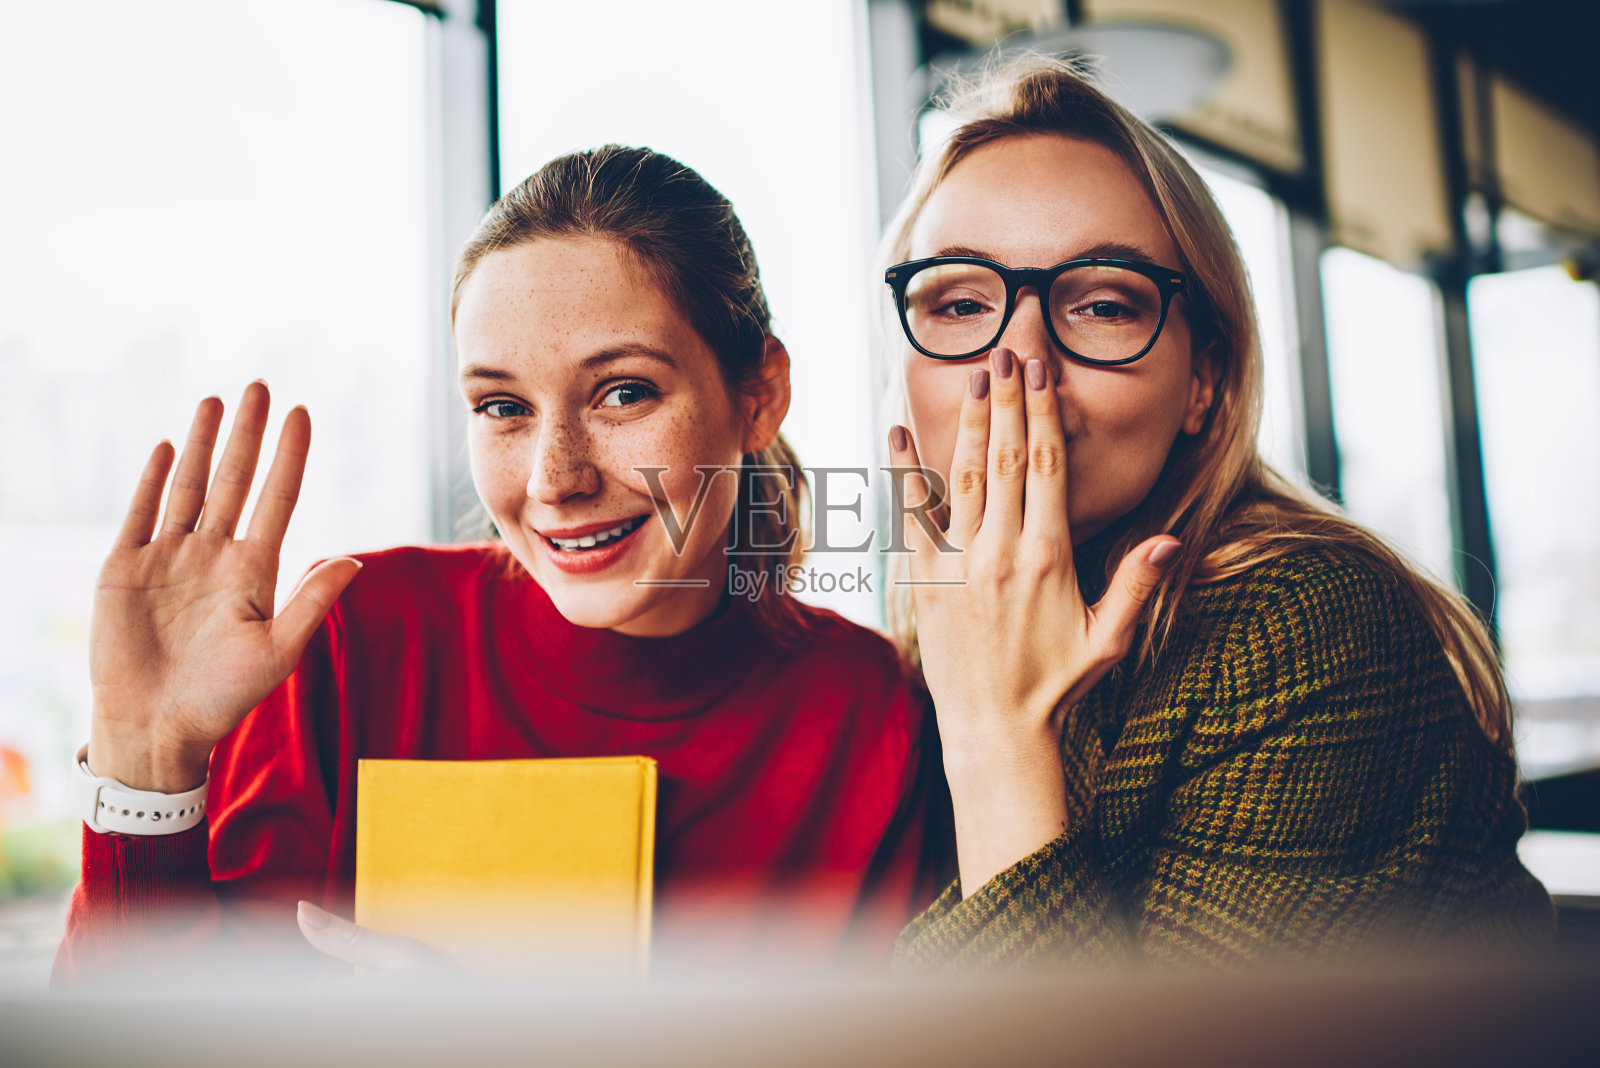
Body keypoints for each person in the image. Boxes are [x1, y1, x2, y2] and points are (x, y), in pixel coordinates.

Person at [54, 145, 939, 987]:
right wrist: (145, 759)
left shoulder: (872, 713)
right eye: (503, 406)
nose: (556, 479)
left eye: (624, 393)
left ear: (759, 395)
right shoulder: (357, 637)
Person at [878, 55, 1552, 970]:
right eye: (959, 303)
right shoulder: (929, 627)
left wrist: (999, 736)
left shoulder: (1311, 621)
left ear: (1203, 381)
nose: (1021, 362)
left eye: (1104, 305)